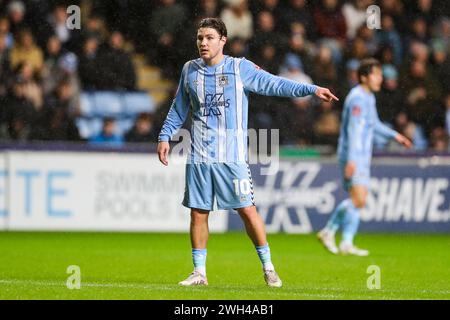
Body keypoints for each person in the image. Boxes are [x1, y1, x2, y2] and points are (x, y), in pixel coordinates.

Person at [157, 17, 338, 287]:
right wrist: (165, 136)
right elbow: (179, 107)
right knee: (198, 212)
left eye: (209, 38)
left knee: (247, 211)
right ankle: (199, 272)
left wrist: (311, 90)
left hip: (231, 157)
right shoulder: (189, 70)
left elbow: (275, 84)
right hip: (200, 156)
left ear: (223, 41)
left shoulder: (239, 68)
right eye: (199, 38)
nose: (203, 43)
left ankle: (268, 268)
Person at [317, 58, 412, 256]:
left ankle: (341, 239)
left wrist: (395, 135)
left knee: (359, 200)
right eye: (376, 75)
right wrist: (351, 160)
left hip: (361, 155)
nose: (380, 79)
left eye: (380, 75)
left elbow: (374, 124)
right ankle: (332, 233)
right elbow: (353, 131)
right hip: (354, 155)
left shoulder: (368, 97)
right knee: (358, 199)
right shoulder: (357, 99)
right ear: (363, 77)